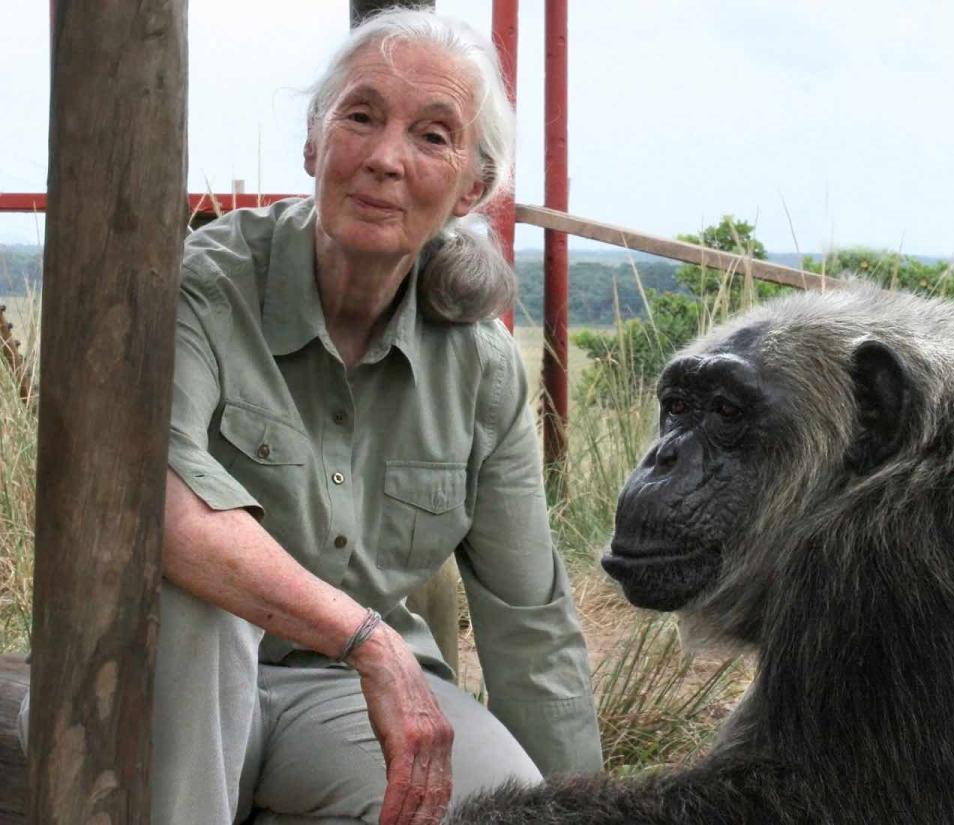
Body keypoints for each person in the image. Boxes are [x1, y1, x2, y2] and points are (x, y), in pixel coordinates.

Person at [20, 8, 602, 825]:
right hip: (164, 681)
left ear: (473, 186)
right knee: (202, 600)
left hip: (333, 699)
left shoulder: (480, 365)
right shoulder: (203, 287)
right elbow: (162, 505)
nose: (384, 158)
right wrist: (371, 640)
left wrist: (583, 808)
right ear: (314, 142)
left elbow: (529, 626)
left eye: (433, 136)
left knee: (498, 804)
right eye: (360, 116)